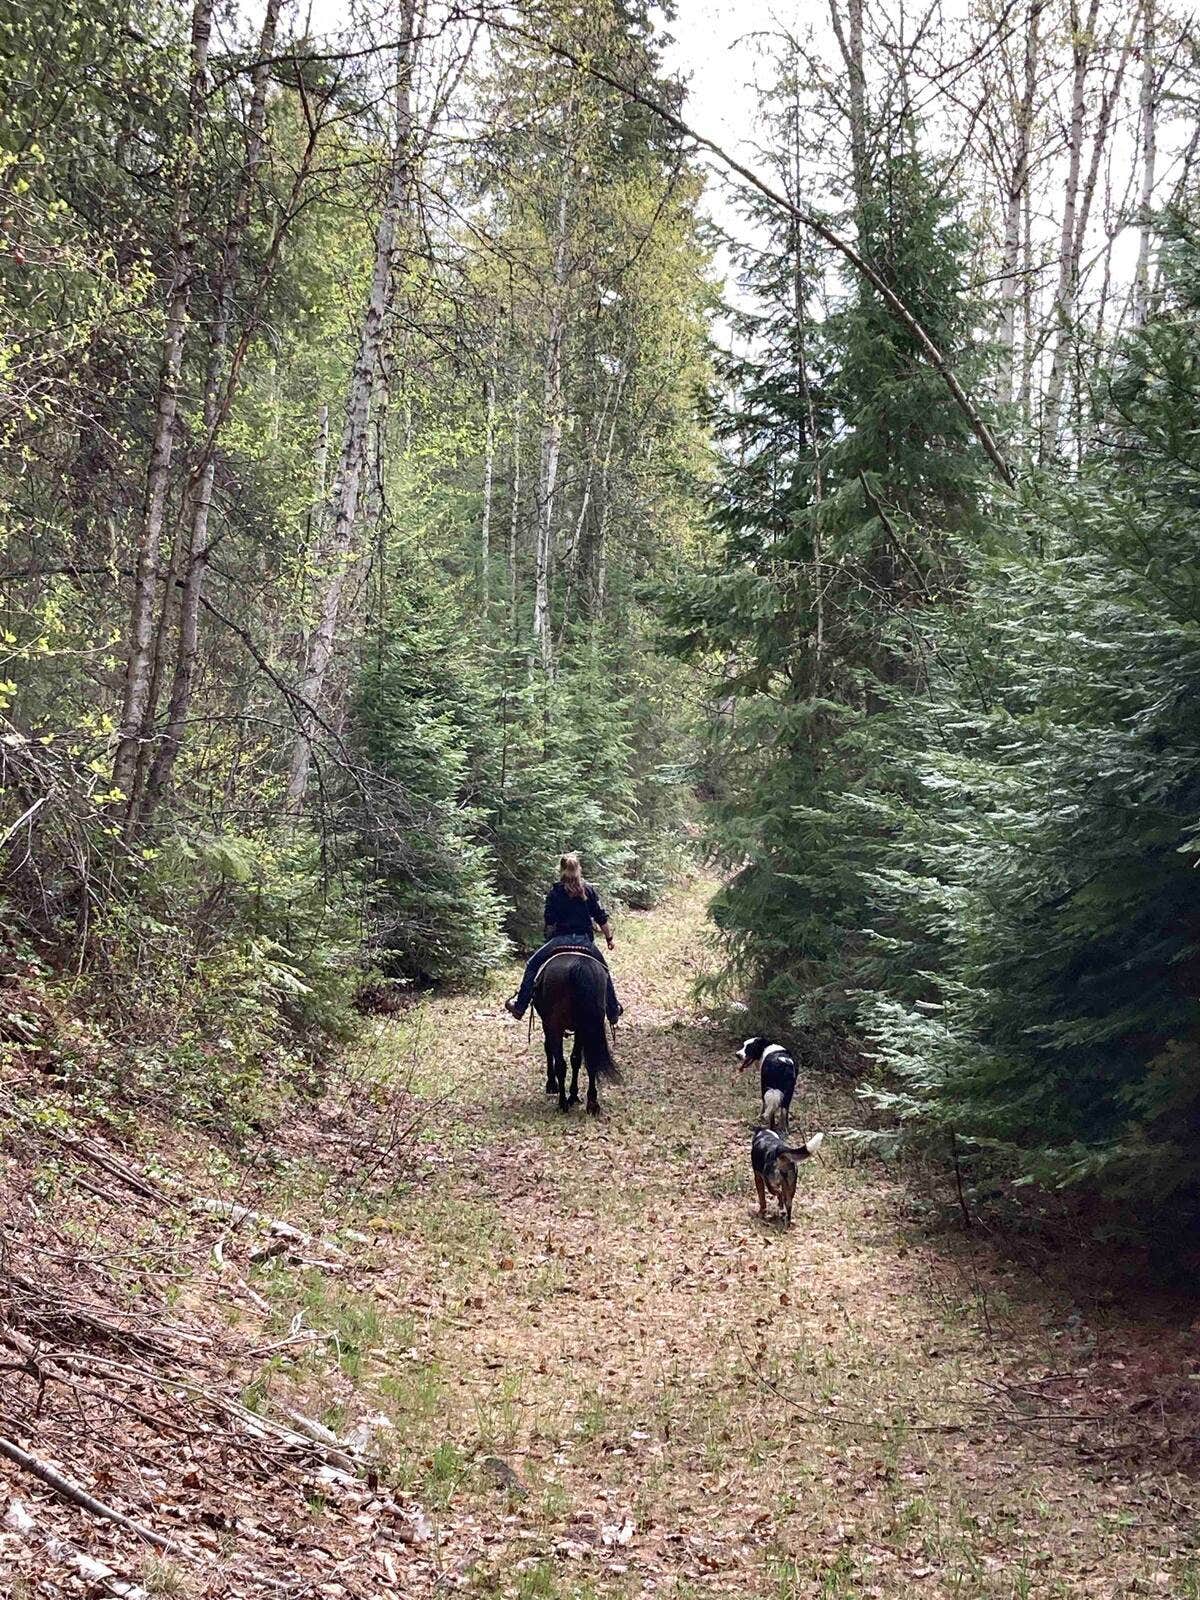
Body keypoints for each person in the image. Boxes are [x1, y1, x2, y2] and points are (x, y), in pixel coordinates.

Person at [505, 853, 622, 1025]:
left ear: (561, 870)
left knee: (532, 965)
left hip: (559, 940)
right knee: (603, 970)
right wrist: (609, 938)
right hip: (584, 942)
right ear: (579, 869)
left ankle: (520, 1006)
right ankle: (612, 1011)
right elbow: (600, 917)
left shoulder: (555, 891)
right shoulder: (588, 890)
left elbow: (550, 919)